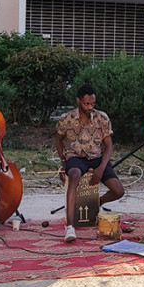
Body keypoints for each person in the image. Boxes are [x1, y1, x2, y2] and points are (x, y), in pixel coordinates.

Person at [56, 84, 125, 243]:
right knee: (74, 175)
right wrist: (63, 161)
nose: (89, 107)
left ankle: (95, 204)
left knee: (118, 190)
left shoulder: (102, 118)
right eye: (86, 103)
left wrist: (101, 168)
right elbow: (58, 139)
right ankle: (70, 226)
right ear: (78, 101)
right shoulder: (66, 119)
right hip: (76, 156)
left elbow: (109, 145)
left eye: (92, 103)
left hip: (97, 156)